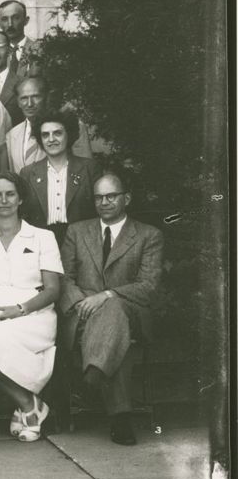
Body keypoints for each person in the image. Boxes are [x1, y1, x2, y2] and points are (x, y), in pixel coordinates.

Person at [59, 171, 163, 445]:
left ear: (126, 198)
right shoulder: (77, 232)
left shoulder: (148, 235)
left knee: (114, 308)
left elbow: (148, 286)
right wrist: (82, 302)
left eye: (111, 196)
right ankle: (119, 417)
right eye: (99, 198)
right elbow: (64, 278)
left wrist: (105, 295)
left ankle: (92, 377)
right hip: (83, 314)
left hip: (131, 312)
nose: (104, 202)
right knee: (120, 342)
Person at [0, 171, 63, 443]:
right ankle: (30, 405)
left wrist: (20, 309)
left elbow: (52, 289)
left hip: (34, 315)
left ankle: (28, 409)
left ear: (20, 199)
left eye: (10, 194)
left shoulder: (43, 237)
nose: (3, 200)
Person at [19, 110, 101, 246]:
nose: (51, 139)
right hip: (41, 244)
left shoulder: (90, 168)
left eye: (57, 133)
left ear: (69, 134)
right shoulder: (28, 173)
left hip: (83, 243)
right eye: (45, 135)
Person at [6, 76, 94, 173]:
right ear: (18, 102)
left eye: (36, 96)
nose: (30, 103)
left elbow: (85, 170)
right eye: (24, 98)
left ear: (46, 97)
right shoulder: (11, 135)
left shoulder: (70, 125)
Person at [0, 0, 39, 77]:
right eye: (4, 19)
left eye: (15, 18)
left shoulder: (39, 51)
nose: (10, 24)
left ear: (26, 21)